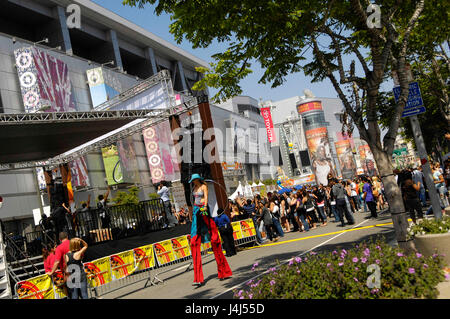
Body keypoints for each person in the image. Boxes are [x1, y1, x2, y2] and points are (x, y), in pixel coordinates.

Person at [189, 174, 232, 286]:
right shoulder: (194, 188)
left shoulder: (203, 187)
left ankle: (224, 271)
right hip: (196, 210)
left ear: (197, 179)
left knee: (214, 238)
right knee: (194, 241)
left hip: (203, 209)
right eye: (192, 180)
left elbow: (206, 198)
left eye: (194, 180)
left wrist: (204, 207)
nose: (193, 182)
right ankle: (197, 278)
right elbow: (195, 199)